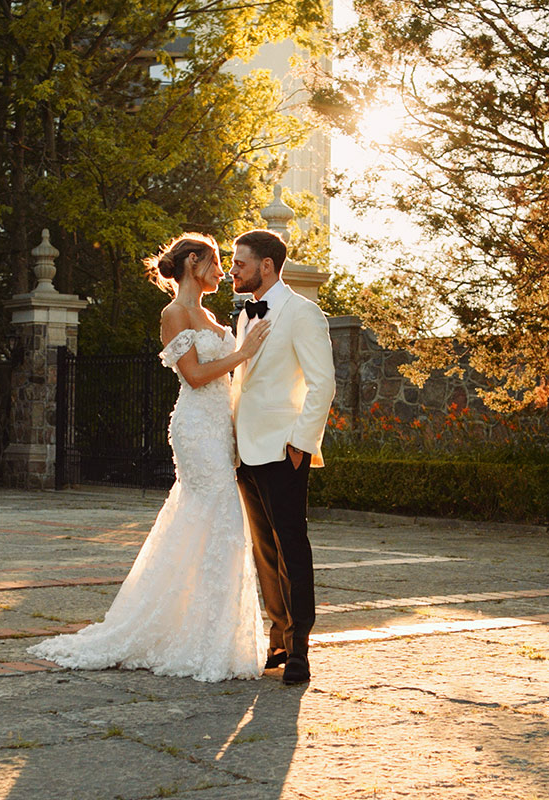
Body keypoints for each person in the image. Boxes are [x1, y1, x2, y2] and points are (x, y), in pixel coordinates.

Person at [28, 233, 270, 682]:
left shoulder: (210, 314)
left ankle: (202, 632)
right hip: (197, 429)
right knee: (222, 519)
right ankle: (200, 639)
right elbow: (195, 376)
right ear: (194, 262)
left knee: (205, 523)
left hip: (219, 429)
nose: (223, 272)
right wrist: (242, 352)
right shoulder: (173, 313)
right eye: (217, 263)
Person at [230, 229, 336, 685]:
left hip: (282, 449)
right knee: (264, 552)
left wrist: (300, 443)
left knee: (292, 548)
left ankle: (299, 650)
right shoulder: (244, 317)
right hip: (245, 451)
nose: (233, 271)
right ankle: (277, 636)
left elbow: (322, 383)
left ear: (267, 265)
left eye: (240, 264)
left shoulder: (303, 313)